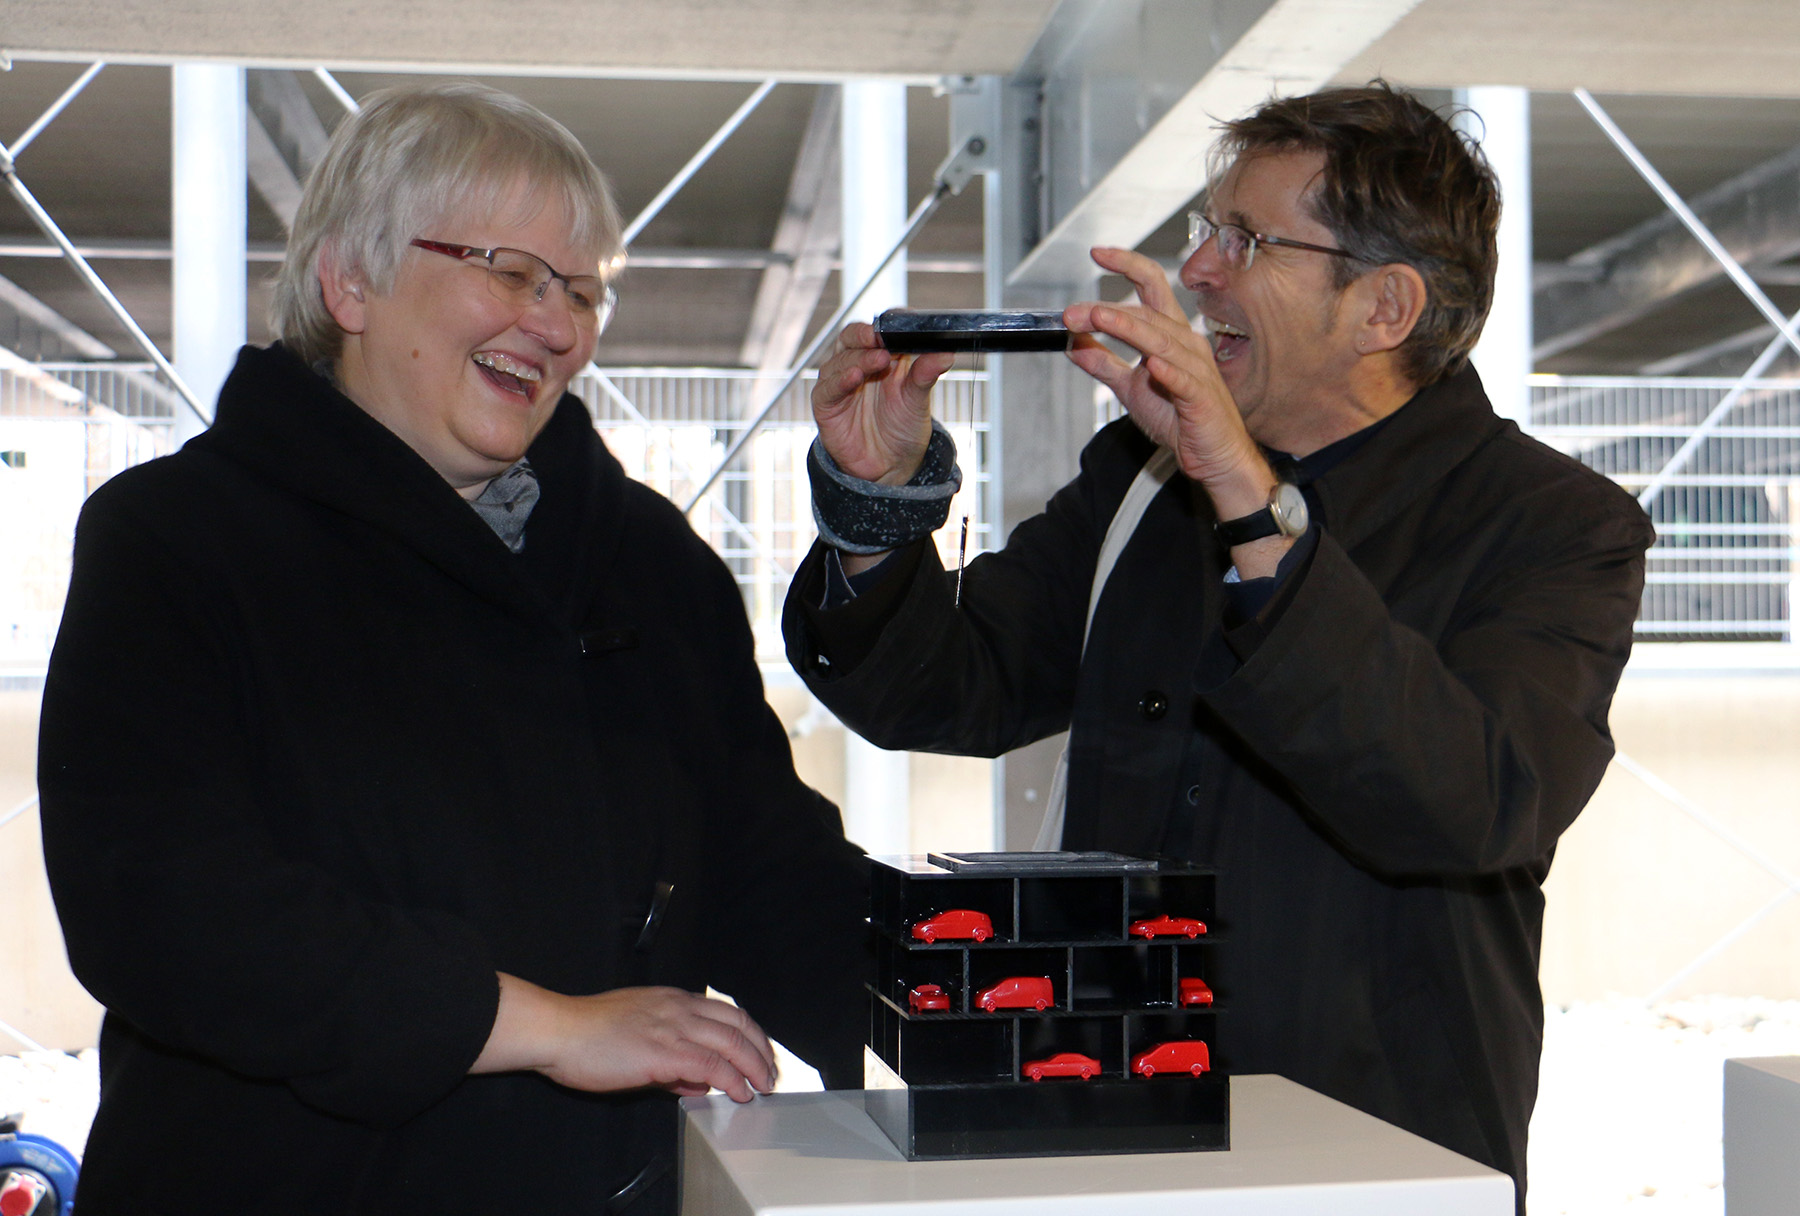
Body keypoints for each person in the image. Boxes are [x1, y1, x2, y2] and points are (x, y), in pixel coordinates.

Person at [783, 82, 1653, 1206]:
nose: (1197, 271)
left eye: (1244, 240)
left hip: (1384, 1164)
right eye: (1204, 232)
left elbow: (1473, 801)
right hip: (1110, 1131)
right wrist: (875, 501)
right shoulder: (1143, 482)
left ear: (1384, 306)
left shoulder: (1552, 523)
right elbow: (950, 689)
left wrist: (1248, 499)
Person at [38, 83, 866, 1215]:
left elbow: (769, 875)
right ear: (350, 281)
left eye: (581, 291)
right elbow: (167, 912)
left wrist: (1006, 985)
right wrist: (550, 1027)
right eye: (513, 271)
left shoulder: (649, 563)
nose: (560, 325)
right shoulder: (178, 539)